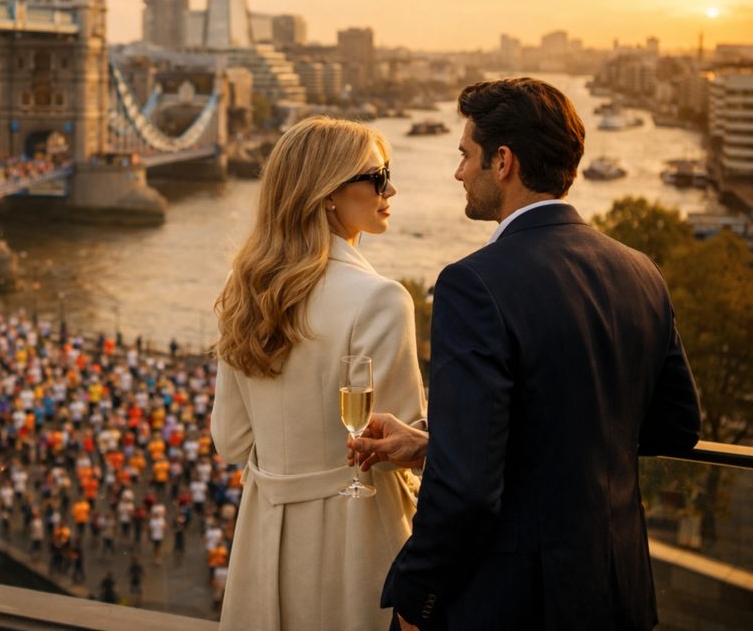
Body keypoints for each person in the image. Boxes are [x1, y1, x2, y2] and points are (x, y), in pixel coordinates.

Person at [349, 78, 701, 630]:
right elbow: (676, 428)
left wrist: (416, 599)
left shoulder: (473, 285)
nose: (458, 171)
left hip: (513, 602)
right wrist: (437, 444)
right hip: (617, 591)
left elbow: (466, 490)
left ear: (503, 161)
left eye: (466, 155)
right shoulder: (640, 270)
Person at [211, 116, 427, 630]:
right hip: (357, 543)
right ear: (328, 193)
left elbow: (231, 439)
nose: (389, 189)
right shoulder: (382, 299)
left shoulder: (243, 291)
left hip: (264, 539)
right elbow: (395, 450)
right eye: (376, 177)